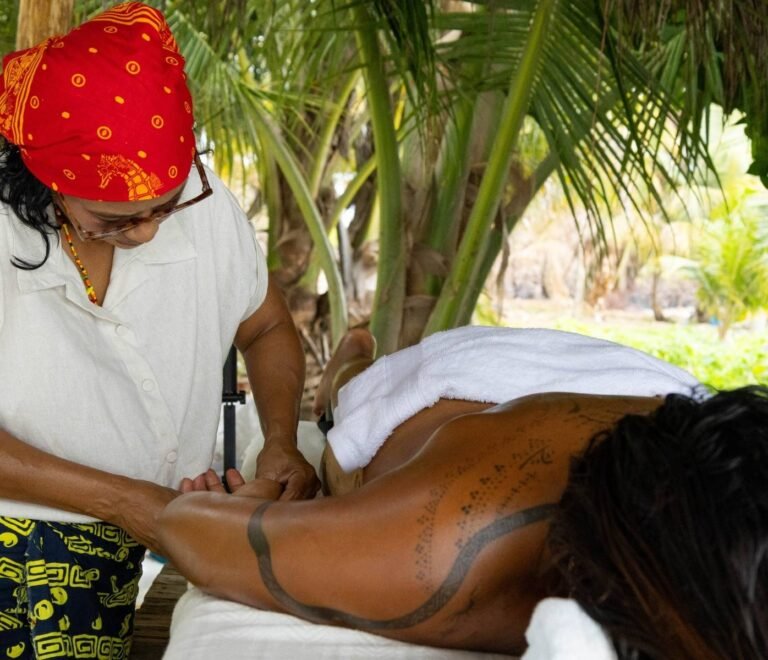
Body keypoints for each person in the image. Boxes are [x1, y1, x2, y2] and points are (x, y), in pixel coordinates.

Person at [0, 3, 318, 657]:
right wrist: (126, 501)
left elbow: (265, 328)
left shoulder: (206, 208)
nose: (145, 231)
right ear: (49, 181)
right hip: (20, 529)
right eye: (113, 220)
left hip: (145, 524)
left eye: (163, 208)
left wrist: (280, 442)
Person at [159, 327, 768, 659]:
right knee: (344, 427)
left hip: (658, 388)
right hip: (462, 374)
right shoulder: (448, 548)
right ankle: (349, 368)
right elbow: (188, 527)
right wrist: (251, 507)